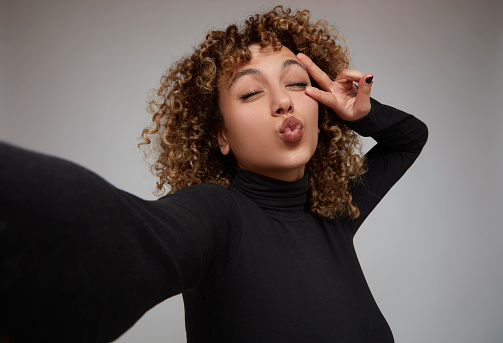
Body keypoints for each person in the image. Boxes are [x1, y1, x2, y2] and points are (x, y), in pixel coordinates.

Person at [0, 6, 428, 343]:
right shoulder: (217, 216)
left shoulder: (333, 212)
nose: (283, 102)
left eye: (297, 84)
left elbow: (408, 138)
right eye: (251, 92)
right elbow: (119, 239)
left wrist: (357, 112)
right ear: (220, 135)